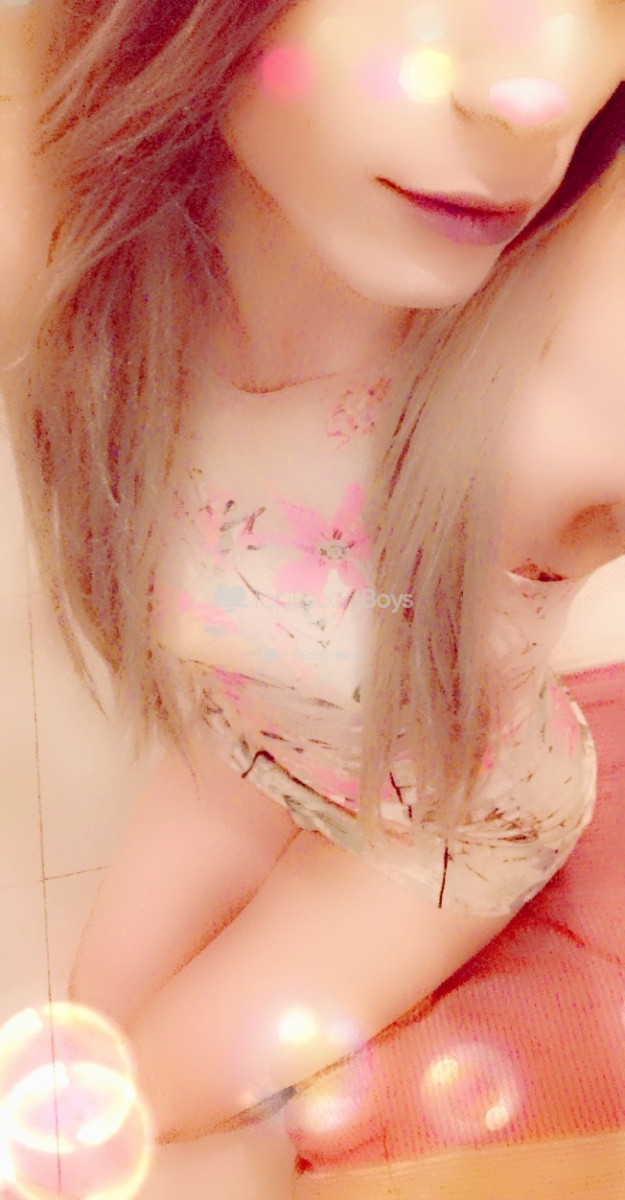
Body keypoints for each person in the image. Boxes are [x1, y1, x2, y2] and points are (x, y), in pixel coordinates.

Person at [1, 0, 624, 1145]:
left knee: (107, 1120)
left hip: (437, 831)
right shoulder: (86, 255)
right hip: (237, 748)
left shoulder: (568, 371)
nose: (540, 90)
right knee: (83, 1038)